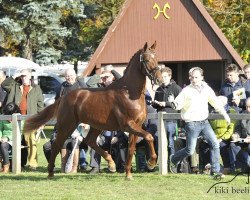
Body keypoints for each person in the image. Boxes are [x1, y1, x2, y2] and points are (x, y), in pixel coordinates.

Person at [168, 67, 230, 179]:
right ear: (190, 77)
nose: (194, 79)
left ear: (202, 77)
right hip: (191, 124)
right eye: (192, 77)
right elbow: (178, 105)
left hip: (204, 123)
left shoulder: (207, 89)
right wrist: (172, 102)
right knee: (190, 150)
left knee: (215, 144)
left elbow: (215, 102)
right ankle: (173, 159)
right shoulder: (186, 90)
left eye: (196, 77)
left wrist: (225, 115)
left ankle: (216, 172)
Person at [44, 68, 89, 173]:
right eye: (67, 76)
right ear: (65, 77)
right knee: (59, 142)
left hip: (80, 121)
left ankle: (74, 167)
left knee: (75, 142)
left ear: (75, 75)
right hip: (65, 120)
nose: (69, 77)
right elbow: (57, 103)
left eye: (71, 75)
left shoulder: (81, 85)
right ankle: (63, 166)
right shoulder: (62, 87)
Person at [6, 69, 44, 170]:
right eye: (22, 76)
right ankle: (18, 164)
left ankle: (33, 164)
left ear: (30, 77)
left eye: (25, 76)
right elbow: (4, 85)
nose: (24, 78)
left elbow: (40, 106)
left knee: (31, 141)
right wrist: (15, 76)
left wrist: (41, 122)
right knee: (17, 142)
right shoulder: (15, 86)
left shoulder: (36, 88)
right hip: (15, 119)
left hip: (30, 120)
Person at [152, 67, 182, 159]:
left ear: (170, 76)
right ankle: (162, 162)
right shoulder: (159, 89)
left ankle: (172, 162)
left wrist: (166, 103)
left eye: (165, 77)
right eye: (162, 76)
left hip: (171, 120)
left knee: (171, 143)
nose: (163, 79)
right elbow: (156, 104)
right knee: (160, 142)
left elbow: (180, 104)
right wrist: (155, 104)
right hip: (160, 119)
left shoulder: (176, 88)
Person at [209, 96, 238, 174]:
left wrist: (222, 138)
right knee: (203, 145)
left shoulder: (231, 112)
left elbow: (231, 129)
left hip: (226, 137)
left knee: (222, 145)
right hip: (214, 136)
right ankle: (205, 167)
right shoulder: (212, 112)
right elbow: (209, 127)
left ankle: (226, 167)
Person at [0, 102, 27, 173]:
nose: (9, 119)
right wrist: (0, 137)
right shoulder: (2, 117)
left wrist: (7, 138)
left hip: (15, 139)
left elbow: (19, 132)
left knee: (3, 145)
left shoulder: (20, 118)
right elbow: (0, 129)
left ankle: (6, 165)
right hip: (3, 138)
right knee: (2, 143)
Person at [229, 97, 250, 172]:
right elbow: (238, 129)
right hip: (243, 139)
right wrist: (236, 135)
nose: (248, 109)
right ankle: (241, 168)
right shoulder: (243, 114)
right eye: (247, 106)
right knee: (233, 145)